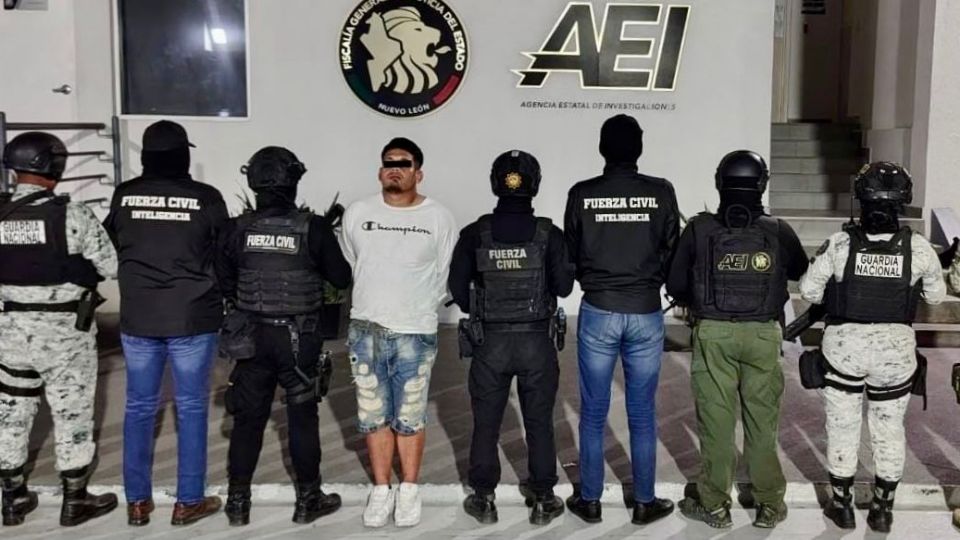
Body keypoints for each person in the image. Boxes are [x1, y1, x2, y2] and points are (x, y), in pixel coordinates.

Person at [799, 161, 945, 533]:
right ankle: (882, 510)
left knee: (842, 427)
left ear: (860, 199)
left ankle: (843, 506)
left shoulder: (840, 243)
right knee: (889, 429)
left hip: (843, 352)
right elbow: (935, 296)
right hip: (895, 355)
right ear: (904, 200)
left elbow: (809, 291)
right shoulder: (919, 248)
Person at [667, 150, 808, 529]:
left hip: (713, 333)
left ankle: (714, 505)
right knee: (762, 422)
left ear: (719, 182)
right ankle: (770, 505)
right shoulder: (777, 230)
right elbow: (800, 270)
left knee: (716, 422)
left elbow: (675, 284)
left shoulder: (699, 230)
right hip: (763, 333)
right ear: (762, 183)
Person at [216, 146, 352, 526]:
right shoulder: (313, 228)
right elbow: (341, 278)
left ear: (252, 182)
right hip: (298, 338)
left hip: (251, 338)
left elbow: (225, 282)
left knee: (248, 420)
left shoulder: (235, 229)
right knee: (302, 418)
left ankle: (238, 503)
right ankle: (308, 500)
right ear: (293, 181)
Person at [102, 120, 227, 526]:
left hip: (139, 316)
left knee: (139, 407)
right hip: (193, 315)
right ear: (183, 155)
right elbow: (224, 252)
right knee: (191, 407)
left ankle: (137, 502)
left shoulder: (124, 195)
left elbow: (110, 243)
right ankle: (188, 501)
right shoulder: (206, 197)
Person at [563, 114, 679, 525]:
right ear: (639, 148)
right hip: (645, 311)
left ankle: (590, 500)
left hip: (598, 310)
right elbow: (672, 250)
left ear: (602, 148)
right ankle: (644, 501)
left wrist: (595, 279)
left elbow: (570, 253)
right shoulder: (660, 192)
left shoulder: (582, 193)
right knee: (642, 412)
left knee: (593, 412)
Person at [449, 150, 574, 526]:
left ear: (494, 183)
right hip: (536, 341)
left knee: (486, 422)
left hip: (491, 342)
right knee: (539, 421)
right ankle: (543, 498)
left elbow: (458, 289)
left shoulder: (475, 233)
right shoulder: (549, 234)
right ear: (535, 185)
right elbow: (564, 287)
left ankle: (483, 498)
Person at [0, 132, 118, 527]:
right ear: (54, 166)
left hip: (9, 334)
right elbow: (110, 266)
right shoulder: (73, 214)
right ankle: (75, 500)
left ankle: (13, 498)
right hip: (65, 336)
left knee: (11, 413)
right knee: (72, 414)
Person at [340, 137, 456, 528]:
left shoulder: (438, 217)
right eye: (389, 162)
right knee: (373, 416)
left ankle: (408, 488)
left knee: (410, 416)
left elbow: (444, 273)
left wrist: (420, 309)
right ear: (380, 171)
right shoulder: (358, 213)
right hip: (366, 331)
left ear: (418, 173)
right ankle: (381, 489)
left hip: (414, 332)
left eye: (404, 163)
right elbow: (353, 261)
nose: (396, 169)